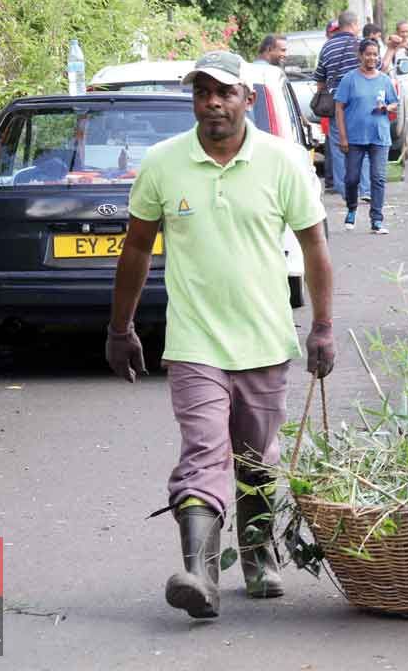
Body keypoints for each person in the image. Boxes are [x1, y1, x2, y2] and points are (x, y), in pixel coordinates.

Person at [106, 50, 336, 619]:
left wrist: (323, 328)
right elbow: (136, 246)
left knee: (257, 460)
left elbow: (315, 247)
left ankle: (257, 556)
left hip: (265, 340)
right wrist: (120, 327)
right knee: (204, 453)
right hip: (194, 344)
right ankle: (200, 575)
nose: (212, 102)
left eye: (224, 92)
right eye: (202, 92)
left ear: (246, 99)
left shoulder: (282, 162)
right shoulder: (163, 163)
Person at [335, 38, 399, 234]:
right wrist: (343, 137)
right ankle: (352, 208)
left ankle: (377, 220)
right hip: (354, 138)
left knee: (378, 178)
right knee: (352, 178)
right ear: (360, 55)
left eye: (374, 54)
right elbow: (339, 107)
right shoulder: (350, 79)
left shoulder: (384, 80)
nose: (372, 58)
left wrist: (386, 107)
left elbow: (395, 103)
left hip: (379, 136)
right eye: (368, 54)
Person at [313, 11, 362, 198]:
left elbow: (320, 79)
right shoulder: (360, 45)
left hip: (335, 104)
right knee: (361, 145)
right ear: (354, 24)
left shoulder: (327, 47)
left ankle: (345, 191)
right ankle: (363, 188)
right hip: (360, 102)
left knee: (339, 146)